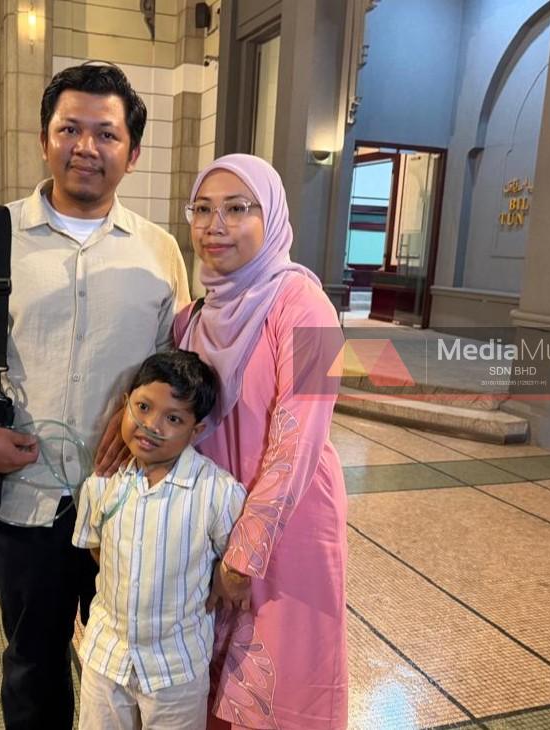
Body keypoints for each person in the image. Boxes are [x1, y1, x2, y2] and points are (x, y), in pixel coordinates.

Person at [0, 63, 189, 730]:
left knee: (131, 663)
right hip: (27, 498)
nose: (86, 147)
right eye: (70, 129)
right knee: (33, 664)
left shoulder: (159, 251)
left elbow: (175, 368)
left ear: (133, 153)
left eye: (106, 134)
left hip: (128, 503)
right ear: (44, 139)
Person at [175, 154, 348, 729]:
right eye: (202, 209)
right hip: (214, 526)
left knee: (277, 688)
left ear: (270, 216)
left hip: (287, 531)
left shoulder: (310, 310)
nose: (214, 225)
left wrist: (244, 554)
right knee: (209, 688)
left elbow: (300, 442)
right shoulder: (191, 319)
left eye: (236, 208)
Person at [73, 350, 247, 730]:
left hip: (176, 666)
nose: (151, 425)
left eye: (173, 418)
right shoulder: (101, 483)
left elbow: (235, 558)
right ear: (125, 404)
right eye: (143, 407)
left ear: (196, 430)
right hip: (107, 658)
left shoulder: (216, 491)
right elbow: (98, 549)